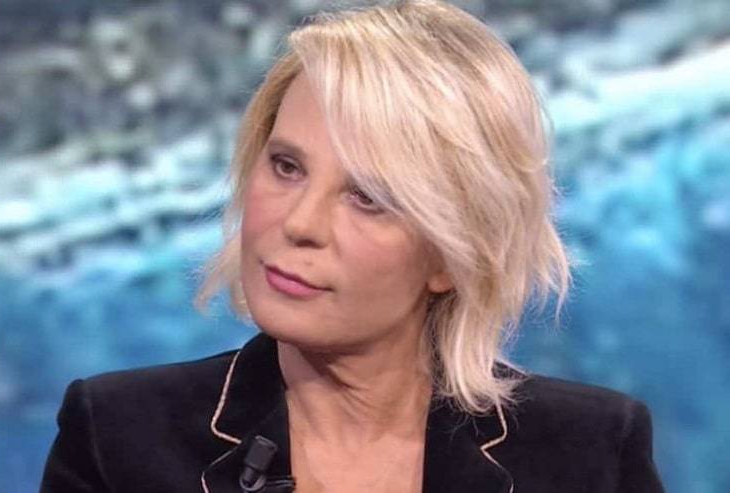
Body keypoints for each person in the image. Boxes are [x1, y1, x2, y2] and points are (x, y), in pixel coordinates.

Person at [40, 1, 665, 492]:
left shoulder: (590, 452)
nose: (300, 223)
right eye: (287, 166)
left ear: (452, 254)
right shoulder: (117, 438)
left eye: (367, 197)